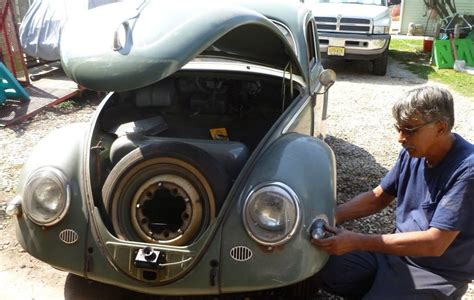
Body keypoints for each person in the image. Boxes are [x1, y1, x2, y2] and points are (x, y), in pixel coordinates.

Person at [312, 86, 474, 299]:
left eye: (409, 129)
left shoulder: (467, 170)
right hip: (394, 253)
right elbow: (377, 197)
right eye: (398, 128)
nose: (400, 137)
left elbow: (435, 243)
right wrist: (332, 215)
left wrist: (357, 240)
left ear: (441, 127)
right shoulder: (413, 151)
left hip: (436, 271)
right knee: (314, 265)